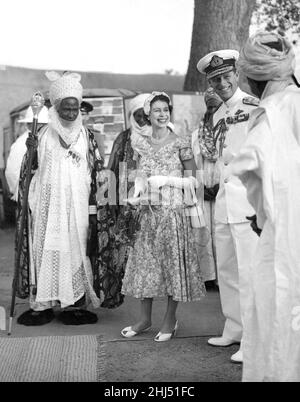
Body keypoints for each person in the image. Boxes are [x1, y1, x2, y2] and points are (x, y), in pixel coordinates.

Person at [230, 31, 300, 381]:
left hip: (284, 241)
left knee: (278, 330)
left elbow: (247, 167)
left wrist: (260, 215)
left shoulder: (268, 115)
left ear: (255, 79)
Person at [16, 71, 105, 326]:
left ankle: (73, 304)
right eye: (65, 108)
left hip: (77, 209)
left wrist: (97, 206)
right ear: (55, 107)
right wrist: (30, 152)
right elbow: (29, 172)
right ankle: (43, 304)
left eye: (74, 108)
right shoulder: (42, 135)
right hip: (47, 208)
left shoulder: (87, 137)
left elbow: (98, 171)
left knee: (76, 252)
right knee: (46, 250)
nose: (70, 113)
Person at [120, 92, 207, 341]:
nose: (162, 114)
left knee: (172, 267)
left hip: (172, 212)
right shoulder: (141, 144)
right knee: (146, 266)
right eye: (156, 110)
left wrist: (167, 180)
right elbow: (139, 174)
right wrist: (136, 191)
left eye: (165, 110)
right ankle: (144, 319)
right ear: (148, 113)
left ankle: (170, 319)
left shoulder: (180, 142)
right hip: (149, 214)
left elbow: (194, 180)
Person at [197, 49, 259, 363]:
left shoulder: (253, 106)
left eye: (225, 76)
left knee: (250, 271)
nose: (221, 83)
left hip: (247, 199)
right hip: (224, 198)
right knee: (228, 269)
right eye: (214, 79)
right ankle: (234, 327)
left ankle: (255, 339)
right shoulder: (219, 112)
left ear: (236, 75)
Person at [96, 93, 151, 309]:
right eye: (138, 115)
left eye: (147, 115)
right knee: (125, 249)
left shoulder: (164, 135)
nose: (143, 120)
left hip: (153, 202)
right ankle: (128, 290)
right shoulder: (124, 138)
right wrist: (105, 201)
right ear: (131, 115)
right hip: (126, 203)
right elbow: (111, 170)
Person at [191, 88, 222, 285]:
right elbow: (191, 164)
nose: (212, 111)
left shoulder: (231, 131)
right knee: (203, 233)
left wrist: (221, 186)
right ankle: (207, 277)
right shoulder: (196, 134)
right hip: (203, 193)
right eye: (209, 107)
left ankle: (223, 278)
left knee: (222, 234)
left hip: (223, 191)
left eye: (216, 107)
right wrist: (201, 187)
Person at [5, 106, 49, 201]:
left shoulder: (49, 141)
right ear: (29, 125)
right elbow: (12, 173)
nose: (42, 127)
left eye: (44, 124)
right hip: (27, 198)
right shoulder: (20, 144)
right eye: (39, 124)